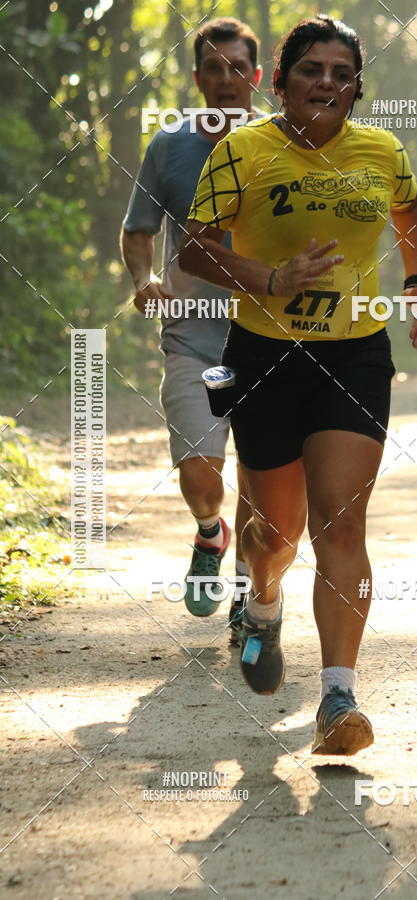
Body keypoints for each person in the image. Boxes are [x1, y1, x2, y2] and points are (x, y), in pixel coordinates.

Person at [179, 15, 417, 754]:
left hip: (354, 357)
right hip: (264, 355)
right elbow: (195, 246)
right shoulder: (244, 149)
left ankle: (338, 697)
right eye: (311, 70)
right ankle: (262, 604)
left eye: (341, 72)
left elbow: (412, 207)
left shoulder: (382, 150)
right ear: (283, 82)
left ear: (357, 87)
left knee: (342, 521)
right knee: (274, 534)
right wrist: (270, 278)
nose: (327, 82)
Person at [121, 18, 264, 642]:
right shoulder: (170, 146)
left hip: (273, 335)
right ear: (198, 78)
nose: (227, 80)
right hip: (193, 333)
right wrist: (144, 278)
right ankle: (210, 531)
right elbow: (138, 229)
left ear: (258, 77)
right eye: (215, 69)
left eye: (239, 68)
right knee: (202, 476)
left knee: (260, 474)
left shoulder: (289, 143)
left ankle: (243, 591)